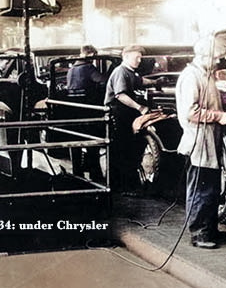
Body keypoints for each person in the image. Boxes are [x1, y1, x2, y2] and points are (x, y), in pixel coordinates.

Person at [175, 36, 226, 249]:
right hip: (198, 142)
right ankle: (199, 234)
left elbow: (220, 97)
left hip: (210, 140)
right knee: (201, 189)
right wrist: (219, 117)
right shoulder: (191, 77)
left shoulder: (205, 74)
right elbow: (191, 112)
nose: (219, 62)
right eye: (217, 58)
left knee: (210, 188)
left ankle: (209, 229)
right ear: (205, 56)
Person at [104, 45, 160, 194]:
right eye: (137, 57)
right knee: (122, 151)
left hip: (126, 114)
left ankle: (129, 184)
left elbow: (140, 81)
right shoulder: (120, 72)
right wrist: (140, 108)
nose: (139, 60)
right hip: (118, 114)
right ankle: (122, 188)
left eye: (141, 58)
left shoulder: (131, 72)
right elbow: (120, 95)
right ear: (126, 57)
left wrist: (156, 82)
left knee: (130, 149)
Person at [66, 45, 106, 183]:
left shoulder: (72, 69)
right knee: (92, 142)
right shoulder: (88, 68)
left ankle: (77, 172)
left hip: (74, 110)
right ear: (90, 55)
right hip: (88, 109)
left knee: (76, 142)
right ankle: (96, 174)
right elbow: (103, 81)